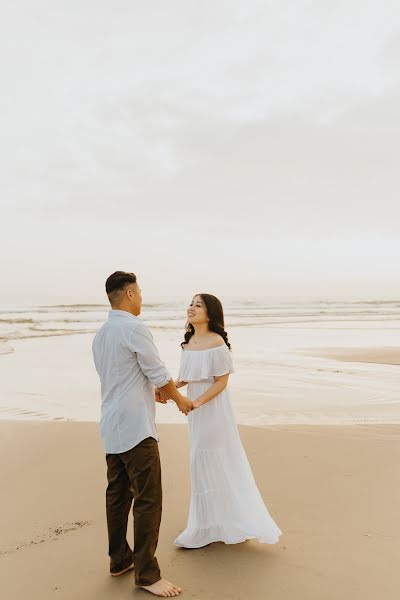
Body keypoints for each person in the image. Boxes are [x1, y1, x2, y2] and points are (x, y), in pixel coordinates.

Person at [92, 271, 191, 597]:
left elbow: (122, 380)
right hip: (136, 429)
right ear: (130, 295)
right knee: (149, 499)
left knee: (118, 496)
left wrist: (154, 392)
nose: (142, 297)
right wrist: (179, 399)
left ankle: (119, 559)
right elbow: (157, 371)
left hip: (111, 425)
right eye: (140, 292)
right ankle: (147, 574)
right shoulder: (134, 328)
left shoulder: (102, 335)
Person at [165, 293, 282, 548]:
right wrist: (168, 390)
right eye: (190, 304)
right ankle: (208, 523)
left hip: (213, 409)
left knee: (207, 458)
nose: (191, 308)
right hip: (195, 411)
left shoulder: (216, 341)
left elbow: (221, 382)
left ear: (211, 313)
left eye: (198, 305)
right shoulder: (189, 342)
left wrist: (196, 403)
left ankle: (206, 527)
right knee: (201, 458)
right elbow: (186, 378)